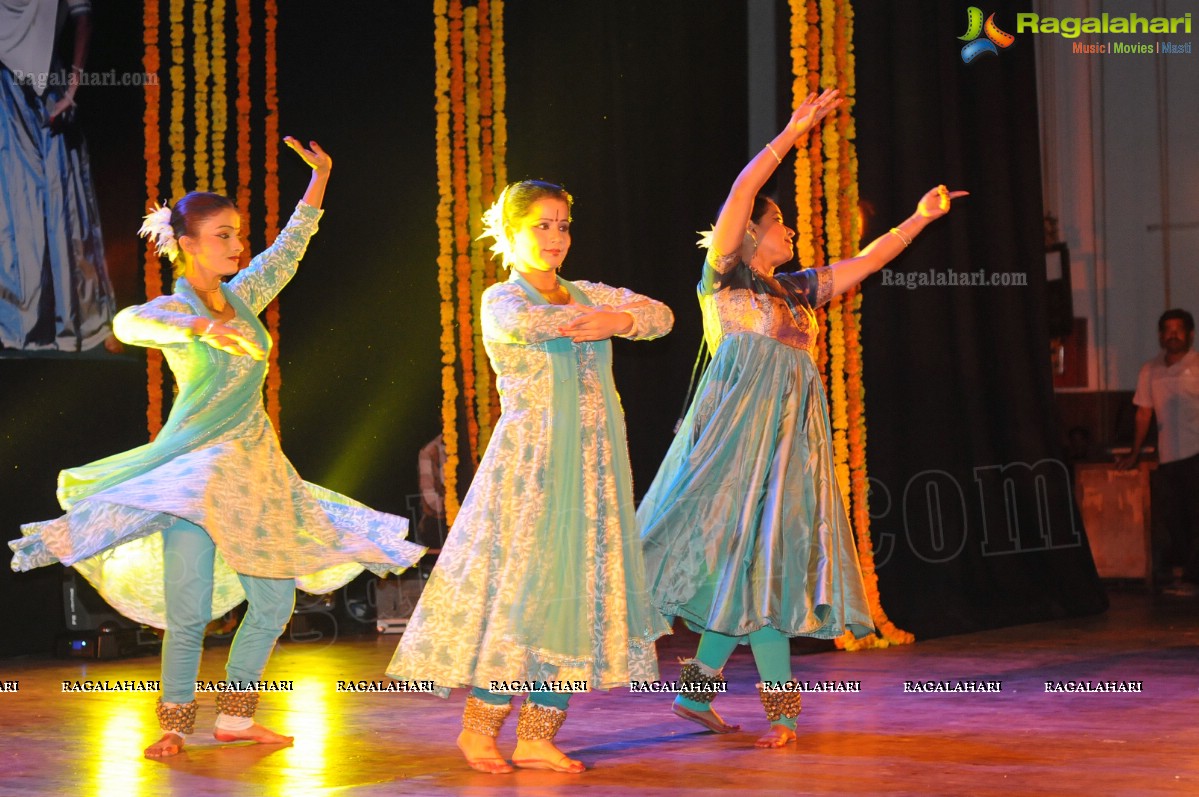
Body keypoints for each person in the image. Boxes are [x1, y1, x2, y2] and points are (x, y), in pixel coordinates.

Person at [10, 138, 425, 757]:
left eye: (237, 234)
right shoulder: (171, 309)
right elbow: (128, 325)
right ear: (188, 244)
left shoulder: (243, 298)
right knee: (189, 609)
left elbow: (288, 252)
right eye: (224, 236)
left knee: (275, 600)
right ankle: (175, 724)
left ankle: (234, 718)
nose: (238, 246)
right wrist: (201, 326)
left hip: (256, 473)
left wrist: (320, 182)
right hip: (194, 475)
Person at [638, 89, 967, 747]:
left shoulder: (796, 290)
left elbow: (869, 261)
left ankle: (699, 692)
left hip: (787, 445)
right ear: (753, 232)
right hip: (732, 444)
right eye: (779, 222)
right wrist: (790, 133)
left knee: (758, 567)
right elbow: (740, 190)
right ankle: (780, 715)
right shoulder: (723, 279)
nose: (789, 231)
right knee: (749, 565)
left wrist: (918, 218)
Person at [387, 180, 674, 774]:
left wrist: (618, 317)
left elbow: (663, 316)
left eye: (563, 225)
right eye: (541, 226)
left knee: (578, 594)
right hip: (532, 473)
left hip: (594, 470)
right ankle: (479, 730)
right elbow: (536, 326)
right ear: (510, 232)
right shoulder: (502, 298)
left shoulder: (587, 293)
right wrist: (596, 321)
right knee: (524, 596)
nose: (556, 238)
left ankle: (538, 734)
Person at [0, 0, 117, 352]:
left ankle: (78, 321)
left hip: (49, 87)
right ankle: (20, 323)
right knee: (14, 204)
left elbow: (84, 20)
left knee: (62, 201)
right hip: (6, 91)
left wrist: (70, 91)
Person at [1117, 308, 1199, 596]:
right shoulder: (1149, 369)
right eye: (1167, 329)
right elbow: (1143, 414)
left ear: (1190, 334)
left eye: (1179, 329)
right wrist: (1135, 452)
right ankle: (1178, 575)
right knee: (1172, 518)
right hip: (1168, 455)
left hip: (1196, 453)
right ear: (1161, 336)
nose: (1173, 334)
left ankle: (1193, 579)